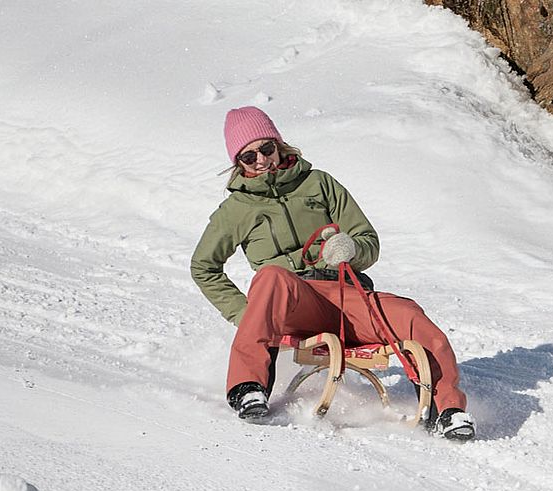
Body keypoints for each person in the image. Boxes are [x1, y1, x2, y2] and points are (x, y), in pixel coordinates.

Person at [189, 106, 475, 441]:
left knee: (409, 313)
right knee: (270, 277)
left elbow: (369, 241)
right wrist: (250, 315)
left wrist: (351, 250)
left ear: (279, 145)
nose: (261, 160)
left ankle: (448, 410)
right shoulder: (235, 211)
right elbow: (203, 267)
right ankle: (247, 388)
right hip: (294, 304)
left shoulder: (319, 184)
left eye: (266, 149)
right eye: (249, 157)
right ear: (239, 164)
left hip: (345, 296)